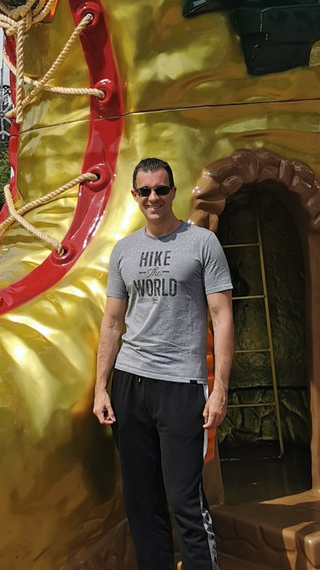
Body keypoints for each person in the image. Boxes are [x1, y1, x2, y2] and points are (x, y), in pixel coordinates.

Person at [94, 157, 234, 570]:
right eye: (145, 191)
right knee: (142, 504)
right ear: (134, 196)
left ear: (173, 192)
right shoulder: (125, 250)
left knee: (184, 502)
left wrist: (220, 388)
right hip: (130, 384)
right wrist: (102, 386)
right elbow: (113, 322)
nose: (153, 197)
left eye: (160, 189)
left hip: (181, 386)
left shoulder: (201, 243)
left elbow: (222, 317)